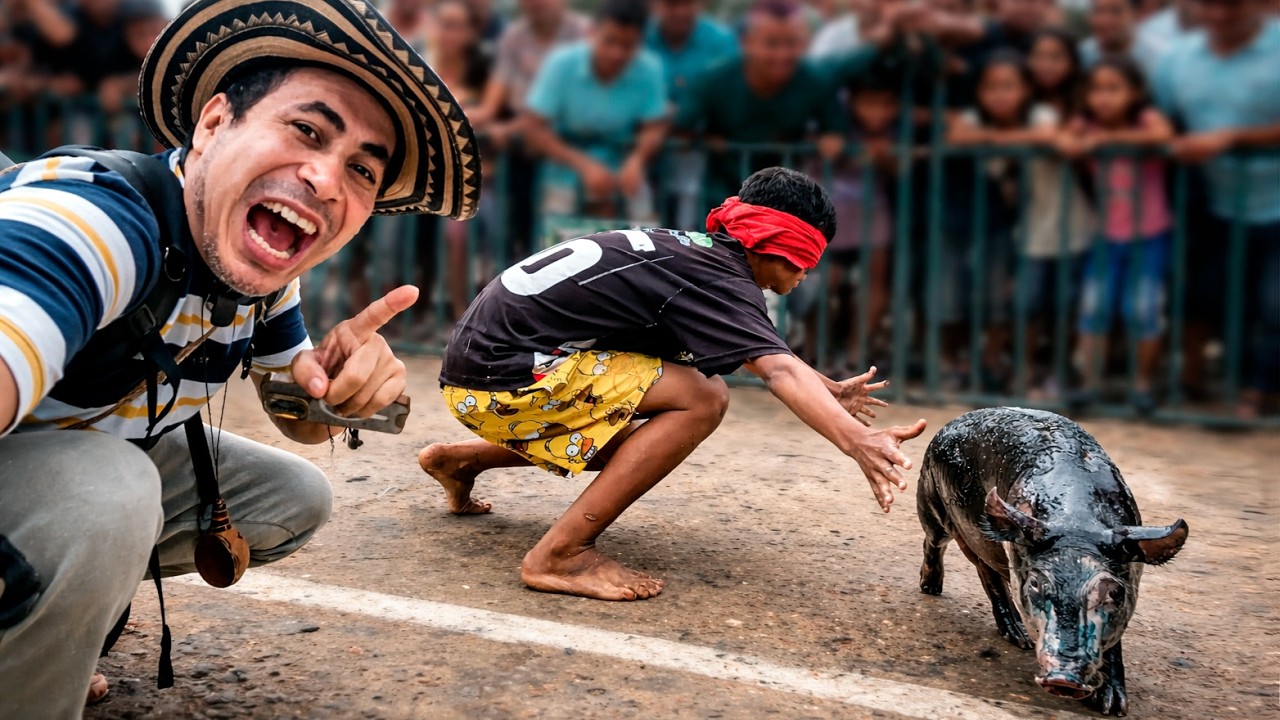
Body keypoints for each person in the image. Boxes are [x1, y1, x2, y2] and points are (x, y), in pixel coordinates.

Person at [0, 0, 480, 715]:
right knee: (110, 493)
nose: (325, 179)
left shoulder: (262, 272)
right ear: (215, 123)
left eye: (361, 170)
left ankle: (49, 621)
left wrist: (338, 389)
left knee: (293, 496)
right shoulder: (96, 221)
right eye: (307, 130)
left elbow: (296, 408)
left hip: (56, 448)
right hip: (61, 458)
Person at [419, 166, 927, 602]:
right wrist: (858, 441)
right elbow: (778, 370)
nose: (806, 274)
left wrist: (828, 392)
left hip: (481, 376)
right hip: (507, 379)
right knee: (701, 398)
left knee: (641, 441)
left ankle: (462, 459)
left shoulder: (697, 256)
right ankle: (561, 554)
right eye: (806, 260)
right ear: (777, 244)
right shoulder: (720, 280)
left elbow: (765, 352)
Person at [1154, 0, 1280, 418]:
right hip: (1215, 203)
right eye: (1211, 5)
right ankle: (1243, 382)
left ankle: (1257, 390)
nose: (1221, 14)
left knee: (1274, 301)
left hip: (1274, 201)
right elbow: (1158, 115)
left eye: (1233, 5)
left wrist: (1231, 137)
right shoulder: (1178, 59)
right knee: (1228, 299)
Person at [1059, 56, 1175, 414]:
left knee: (1143, 309)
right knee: (1094, 307)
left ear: (1135, 92)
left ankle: (1141, 384)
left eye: (1114, 89)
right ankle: (1090, 384)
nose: (1104, 98)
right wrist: (1082, 141)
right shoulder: (1084, 123)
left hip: (1150, 236)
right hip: (1107, 237)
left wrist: (1106, 139)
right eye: (1096, 90)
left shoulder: (1146, 120)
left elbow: (1163, 135)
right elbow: (1065, 142)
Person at [523, 0, 669, 224]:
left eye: (628, 45)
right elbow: (533, 126)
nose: (617, 53)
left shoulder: (651, 69)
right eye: (609, 41)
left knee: (644, 239)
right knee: (557, 247)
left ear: (640, 42)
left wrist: (638, 159)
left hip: (623, 170)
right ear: (592, 32)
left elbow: (655, 125)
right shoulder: (561, 63)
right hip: (564, 171)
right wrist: (583, 165)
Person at [1080, 0, 1165, 74]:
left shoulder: (1158, 60)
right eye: (1098, 11)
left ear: (1135, 13)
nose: (1105, 20)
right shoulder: (1082, 56)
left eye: (1115, 11)